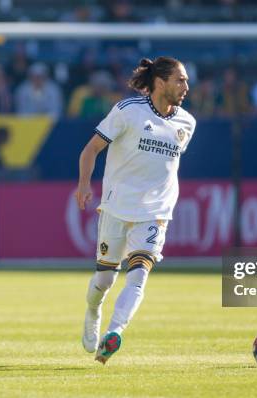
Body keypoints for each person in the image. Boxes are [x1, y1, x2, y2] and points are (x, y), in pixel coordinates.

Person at [75, 56, 195, 364]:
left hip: (156, 212)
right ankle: (93, 311)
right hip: (117, 207)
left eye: (186, 81)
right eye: (180, 80)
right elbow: (91, 149)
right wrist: (84, 184)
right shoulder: (128, 111)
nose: (186, 86)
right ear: (160, 82)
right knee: (104, 281)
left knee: (139, 274)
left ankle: (114, 333)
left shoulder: (187, 123)